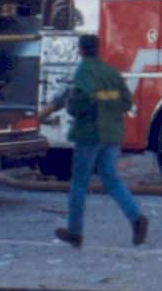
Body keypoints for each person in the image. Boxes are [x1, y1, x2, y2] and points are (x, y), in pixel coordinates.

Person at [47, 32, 148, 250]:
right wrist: (109, 112)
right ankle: (136, 217)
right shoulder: (110, 72)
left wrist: (71, 107)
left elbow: (82, 101)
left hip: (90, 133)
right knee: (111, 179)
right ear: (98, 49)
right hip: (112, 133)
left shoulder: (83, 71)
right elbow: (126, 101)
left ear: (81, 50)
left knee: (79, 183)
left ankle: (75, 231)